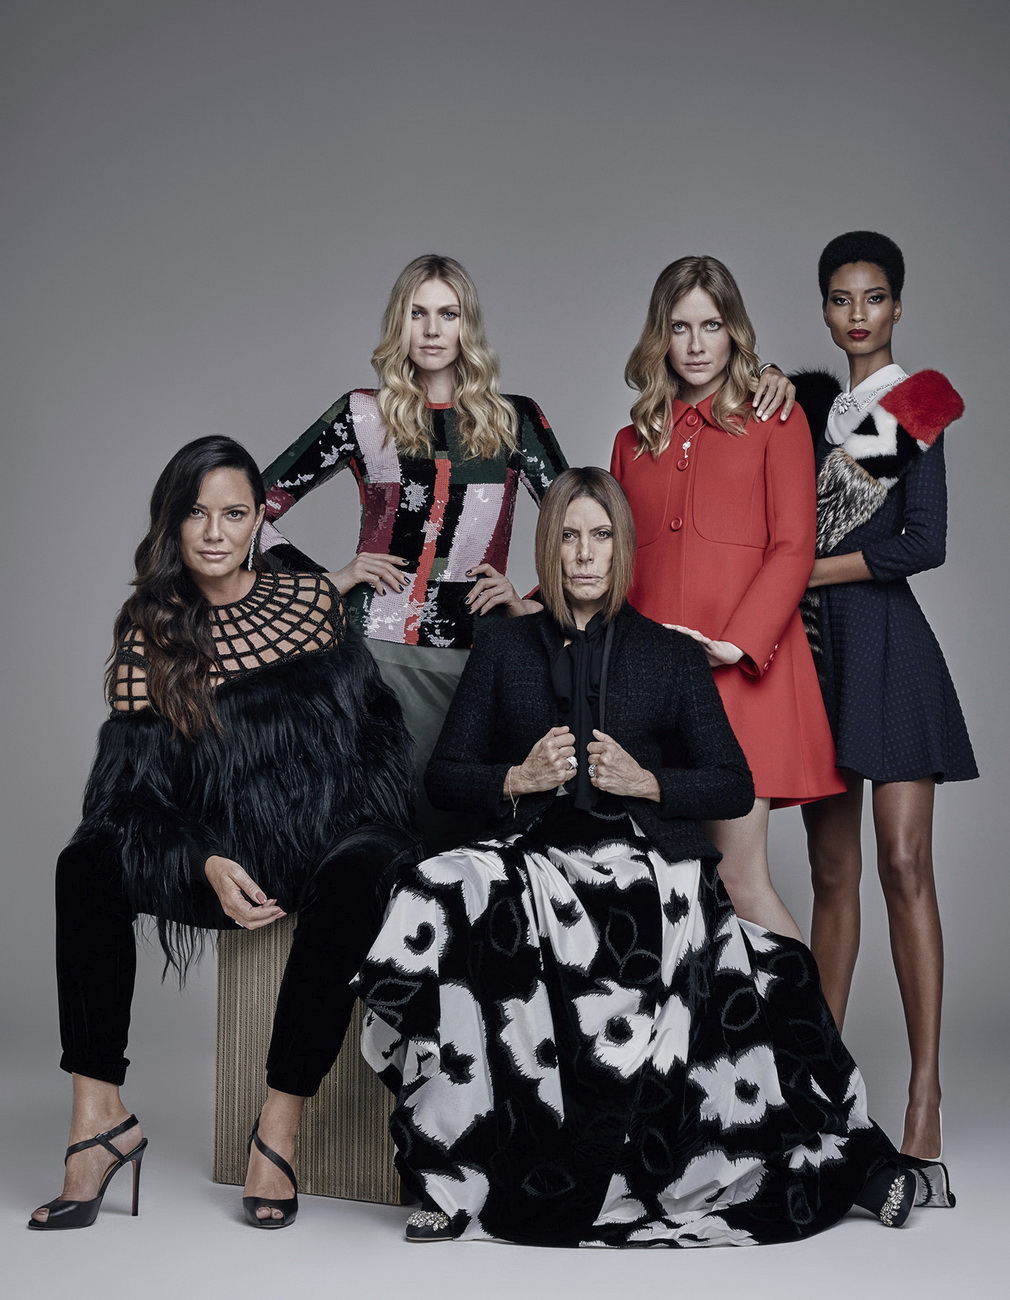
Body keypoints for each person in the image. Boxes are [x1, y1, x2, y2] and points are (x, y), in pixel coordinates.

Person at [353, 467, 951, 1247]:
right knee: (433, 887)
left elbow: (731, 784)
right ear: (550, 547)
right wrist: (515, 777)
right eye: (569, 537)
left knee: (774, 978)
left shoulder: (668, 653)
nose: (584, 554)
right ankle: (449, 1173)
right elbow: (445, 776)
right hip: (533, 861)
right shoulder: (503, 647)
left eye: (601, 536)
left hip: (643, 869)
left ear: (622, 549)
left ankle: (854, 1163)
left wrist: (648, 783)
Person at [29, 436, 416, 1231]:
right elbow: (124, 799)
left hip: (326, 833)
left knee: (361, 870)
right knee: (86, 863)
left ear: (258, 519)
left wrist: (349, 820)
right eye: (196, 513)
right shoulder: (148, 632)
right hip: (215, 854)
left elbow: (373, 734)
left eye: (234, 513)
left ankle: (278, 1125)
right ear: (171, 521)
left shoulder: (310, 601)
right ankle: (97, 1119)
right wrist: (202, 858)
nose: (214, 533)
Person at [258, 254, 567, 852]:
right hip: (375, 656)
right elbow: (251, 513)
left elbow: (580, 521)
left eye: (447, 314)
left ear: (467, 325)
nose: (431, 330)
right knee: (374, 834)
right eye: (417, 314)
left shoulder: (514, 420)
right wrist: (331, 581)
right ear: (398, 324)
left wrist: (529, 602)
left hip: (477, 660)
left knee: (462, 843)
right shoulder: (362, 415)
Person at [794, 231, 977, 1161]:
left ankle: (924, 1091)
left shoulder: (919, 405)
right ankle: (824, 1090)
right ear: (826, 310)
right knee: (832, 875)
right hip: (816, 660)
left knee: (905, 866)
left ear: (897, 306)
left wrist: (808, 570)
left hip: (893, 657)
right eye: (841, 298)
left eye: (872, 297)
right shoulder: (808, 412)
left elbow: (922, 544)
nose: (857, 313)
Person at [610, 256, 844, 942]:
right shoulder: (633, 442)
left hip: (747, 678)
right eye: (680, 327)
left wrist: (736, 644)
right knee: (670, 883)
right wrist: (535, 600)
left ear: (733, 330)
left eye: (711, 325)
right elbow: (612, 560)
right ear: (660, 336)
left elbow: (794, 547)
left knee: (740, 880)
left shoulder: (776, 421)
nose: (695, 344)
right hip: (657, 686)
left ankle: (806, 1020)